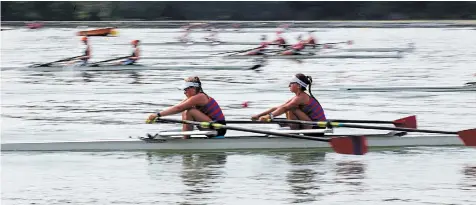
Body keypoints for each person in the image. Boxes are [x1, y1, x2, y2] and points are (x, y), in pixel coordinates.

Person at [146, 77, 227, 139]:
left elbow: (178, 108)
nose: (184, 92)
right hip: (210, 126)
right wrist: (157, 116)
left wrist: (157, 114)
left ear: (193, 88)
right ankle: (185, 138)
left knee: (190, 111)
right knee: (186, 111)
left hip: (218, 128)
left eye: (185, 89)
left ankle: (185, 141)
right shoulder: (193, 98)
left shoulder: (200, 96)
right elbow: (177, 107)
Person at [251, 73, 327, 135]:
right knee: (288, 107)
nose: (289, 85)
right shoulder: (298, 97)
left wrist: (269, 116)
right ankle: (292, 128)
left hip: (316, 129)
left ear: (298, 86)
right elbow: (280, 107)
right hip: (310, 125)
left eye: (291, 83)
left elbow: (285, 108)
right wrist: (259, 115)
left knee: (291, 108)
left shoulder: (302, 97)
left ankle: (293, 132)